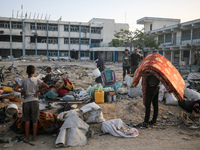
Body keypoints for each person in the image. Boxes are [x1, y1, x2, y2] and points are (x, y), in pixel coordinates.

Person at [14, 65, 49, 142]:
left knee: (27, 120)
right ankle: (34, 137)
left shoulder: (23, 80)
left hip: (26, 102)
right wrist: (37, 91)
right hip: (34, 101)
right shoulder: (37, 79)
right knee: (35, 121)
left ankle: (27, 138)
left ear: (26, 72)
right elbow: (47, 87)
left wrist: (23, 92)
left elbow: (15, 88)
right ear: (34, 72)